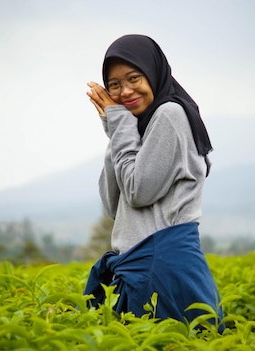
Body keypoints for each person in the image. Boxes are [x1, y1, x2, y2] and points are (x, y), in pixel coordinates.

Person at [84, 34, 222, 328]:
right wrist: (116, 127)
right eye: (114, 85)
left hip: (162, 266)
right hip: (139, 268)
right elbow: (113, 205)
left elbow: (137, 192)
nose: (125, 91)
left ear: (153, 73)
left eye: (134, 78)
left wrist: (120, 123)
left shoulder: (169, 115)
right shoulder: (135, 128)